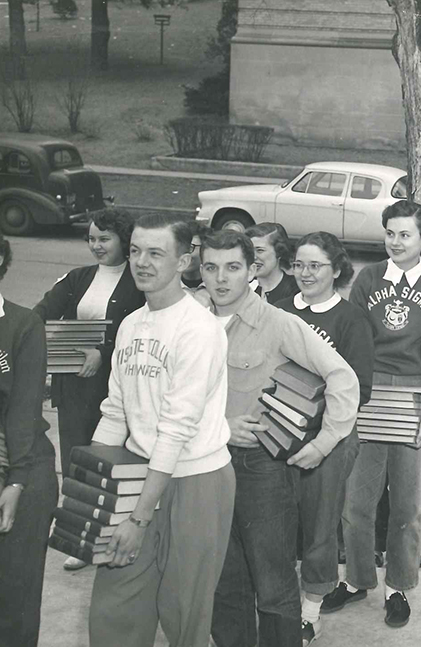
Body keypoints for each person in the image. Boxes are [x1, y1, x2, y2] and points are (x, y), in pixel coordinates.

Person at [200, 231, 361, 647]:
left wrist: (324, 443)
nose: (221, 279)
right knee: (222, 581)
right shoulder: (192, 321)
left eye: (233, 267)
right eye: (211, 267)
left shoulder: (279, 323)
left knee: (273, 585)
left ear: (253, 270)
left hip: (260, 472)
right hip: (204, 465)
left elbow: (342, 377)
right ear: (199, 270)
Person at [88, 213, 236, 647]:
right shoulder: (132, 324)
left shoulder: (199, 329)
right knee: (114, 607)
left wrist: (139, 516)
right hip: (139, 475)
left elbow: (175, 430)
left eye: (156, 253)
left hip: (196, 481)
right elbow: (116, 412)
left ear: (184, 260)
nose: (141, 262)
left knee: (184, 612)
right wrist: (95, 486)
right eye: (135, 250)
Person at [335, 201, 421, 628]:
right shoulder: (368, 278)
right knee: (355, 502)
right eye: (390, 233)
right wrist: (352, 398)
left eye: (405, 234)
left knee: (405, 506)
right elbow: (356, 340)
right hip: (368, 394)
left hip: (415, 397)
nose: (396, 241)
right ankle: (357, 580)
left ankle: (398, 588)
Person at [32, 209, 146, 570]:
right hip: (76, 386)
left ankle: (117, 538)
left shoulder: (140, 280)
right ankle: (83, 539)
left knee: (116, 465)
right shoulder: (78, 277)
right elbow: (40, 314)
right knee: (77, 463)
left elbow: (143, 328)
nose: (96, 246)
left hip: (118, 387)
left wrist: (104, 351)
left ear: (123, 240)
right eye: (92, 239)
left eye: (104, 238)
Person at [0, 231, 58, 647]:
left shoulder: (23, 324)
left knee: (14, 598)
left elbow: (23, 409)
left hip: (22, 471)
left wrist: (15, 481)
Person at [245, 222, 299, 304]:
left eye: (260, 250)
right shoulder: (245, 288)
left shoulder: (295, 290)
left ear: (279, 251)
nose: (253, 257)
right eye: (250, 251)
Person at [181, 222, 212, 290]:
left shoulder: (215, 287)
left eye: (190, 248)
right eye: (181, 247)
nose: (183, 253)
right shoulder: (166, 286)